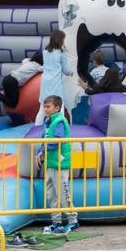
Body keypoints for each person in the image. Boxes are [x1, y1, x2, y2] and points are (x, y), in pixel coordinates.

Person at [35, 95, 78, 234]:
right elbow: (45, 139)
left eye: (48, 107)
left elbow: (56, 141)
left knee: (63, 194)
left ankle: (73, 221)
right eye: (44, 106)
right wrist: (40, 152)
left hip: (60, 163)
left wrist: (45, 149)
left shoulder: (59, 121)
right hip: (50, 163)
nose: (45, 109)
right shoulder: (48, 122)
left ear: (57, 108)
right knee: (51, 194)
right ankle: (56, 222)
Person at [37, 31, 72, 125]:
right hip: (55, 82)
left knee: (42, 109)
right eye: (63, 39)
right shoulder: (61, 53)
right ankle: (60, 128)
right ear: (60, 40)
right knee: (60, 106)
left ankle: (35, 131)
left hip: (45, 82)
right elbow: (65, 70)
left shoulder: (45, 51)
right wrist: (71, 72)